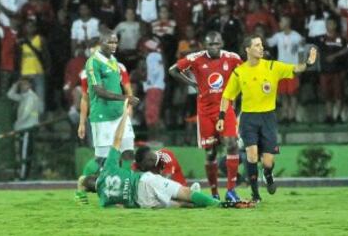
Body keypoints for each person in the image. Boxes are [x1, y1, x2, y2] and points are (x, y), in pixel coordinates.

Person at [77, 99, 253, 209]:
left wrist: (83, 191)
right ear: (95, 175)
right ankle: (218, 204)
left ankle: (199, 203)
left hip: (141, 202)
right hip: (143, 181)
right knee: (185, 193)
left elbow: (120, 208)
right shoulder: (108, 168)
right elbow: (117, 139)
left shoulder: (102, 201)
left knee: (178, 205)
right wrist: (125, 115)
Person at [217, 34, 317, 202]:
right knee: (252, 156)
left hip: (268, 118)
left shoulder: (272, 67)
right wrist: (221, 117)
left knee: (268, 162)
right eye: (257, 45)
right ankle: (255, 195)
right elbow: (227, 96)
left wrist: (307, 63)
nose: (261, 47)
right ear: (247, 49)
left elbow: (295, 69)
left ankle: (268, 174)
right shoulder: (239, 72)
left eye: (261, 44)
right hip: (248, 119)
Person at [169, 31, 243, 202]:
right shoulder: (195, 58)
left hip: (225, 109)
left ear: (222, 43)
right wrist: (193, 84)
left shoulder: (232, 58)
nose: (214, 47)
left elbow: (244, 76)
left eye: (217, 44)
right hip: (205, 112)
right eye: (211, 44)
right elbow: (173, 70)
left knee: (232, 144)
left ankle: (231, 191)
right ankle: (215, 192)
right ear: (204, 45)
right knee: (211, 152)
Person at [85, 29, 139, 168]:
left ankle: (127, 183)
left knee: (128, 152)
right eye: (110, 42)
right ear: (101, 43)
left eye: (115, 42)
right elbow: (99, 91)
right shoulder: (93, 62)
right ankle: (87, 183)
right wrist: (125, 98)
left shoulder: (114, 60)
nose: (114, 45)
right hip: (102, 116)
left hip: (120, 114)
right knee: (102, 160)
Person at [267, 15, 303, 124]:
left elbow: (301, 53)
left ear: (287, 22)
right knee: (283, 94)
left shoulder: (297, 36)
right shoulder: (278, 36)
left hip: (293, 69)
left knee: (292, 94)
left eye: (281, 22)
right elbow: (268, 43)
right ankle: (285, 116)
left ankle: (292, 116)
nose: (280, 24)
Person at [7, 78, 41, 180]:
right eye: (21, 85)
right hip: (23, 128)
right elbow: (10, 95)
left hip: (27, 128)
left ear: (30, 85)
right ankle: (21, 174)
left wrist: (17, 124)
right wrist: (15, 84)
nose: (22, 86)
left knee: (24, 153)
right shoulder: (24, 96)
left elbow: (26, 114)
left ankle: (23, 176)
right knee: (22, 152)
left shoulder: (31, 97)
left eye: (25, 84)